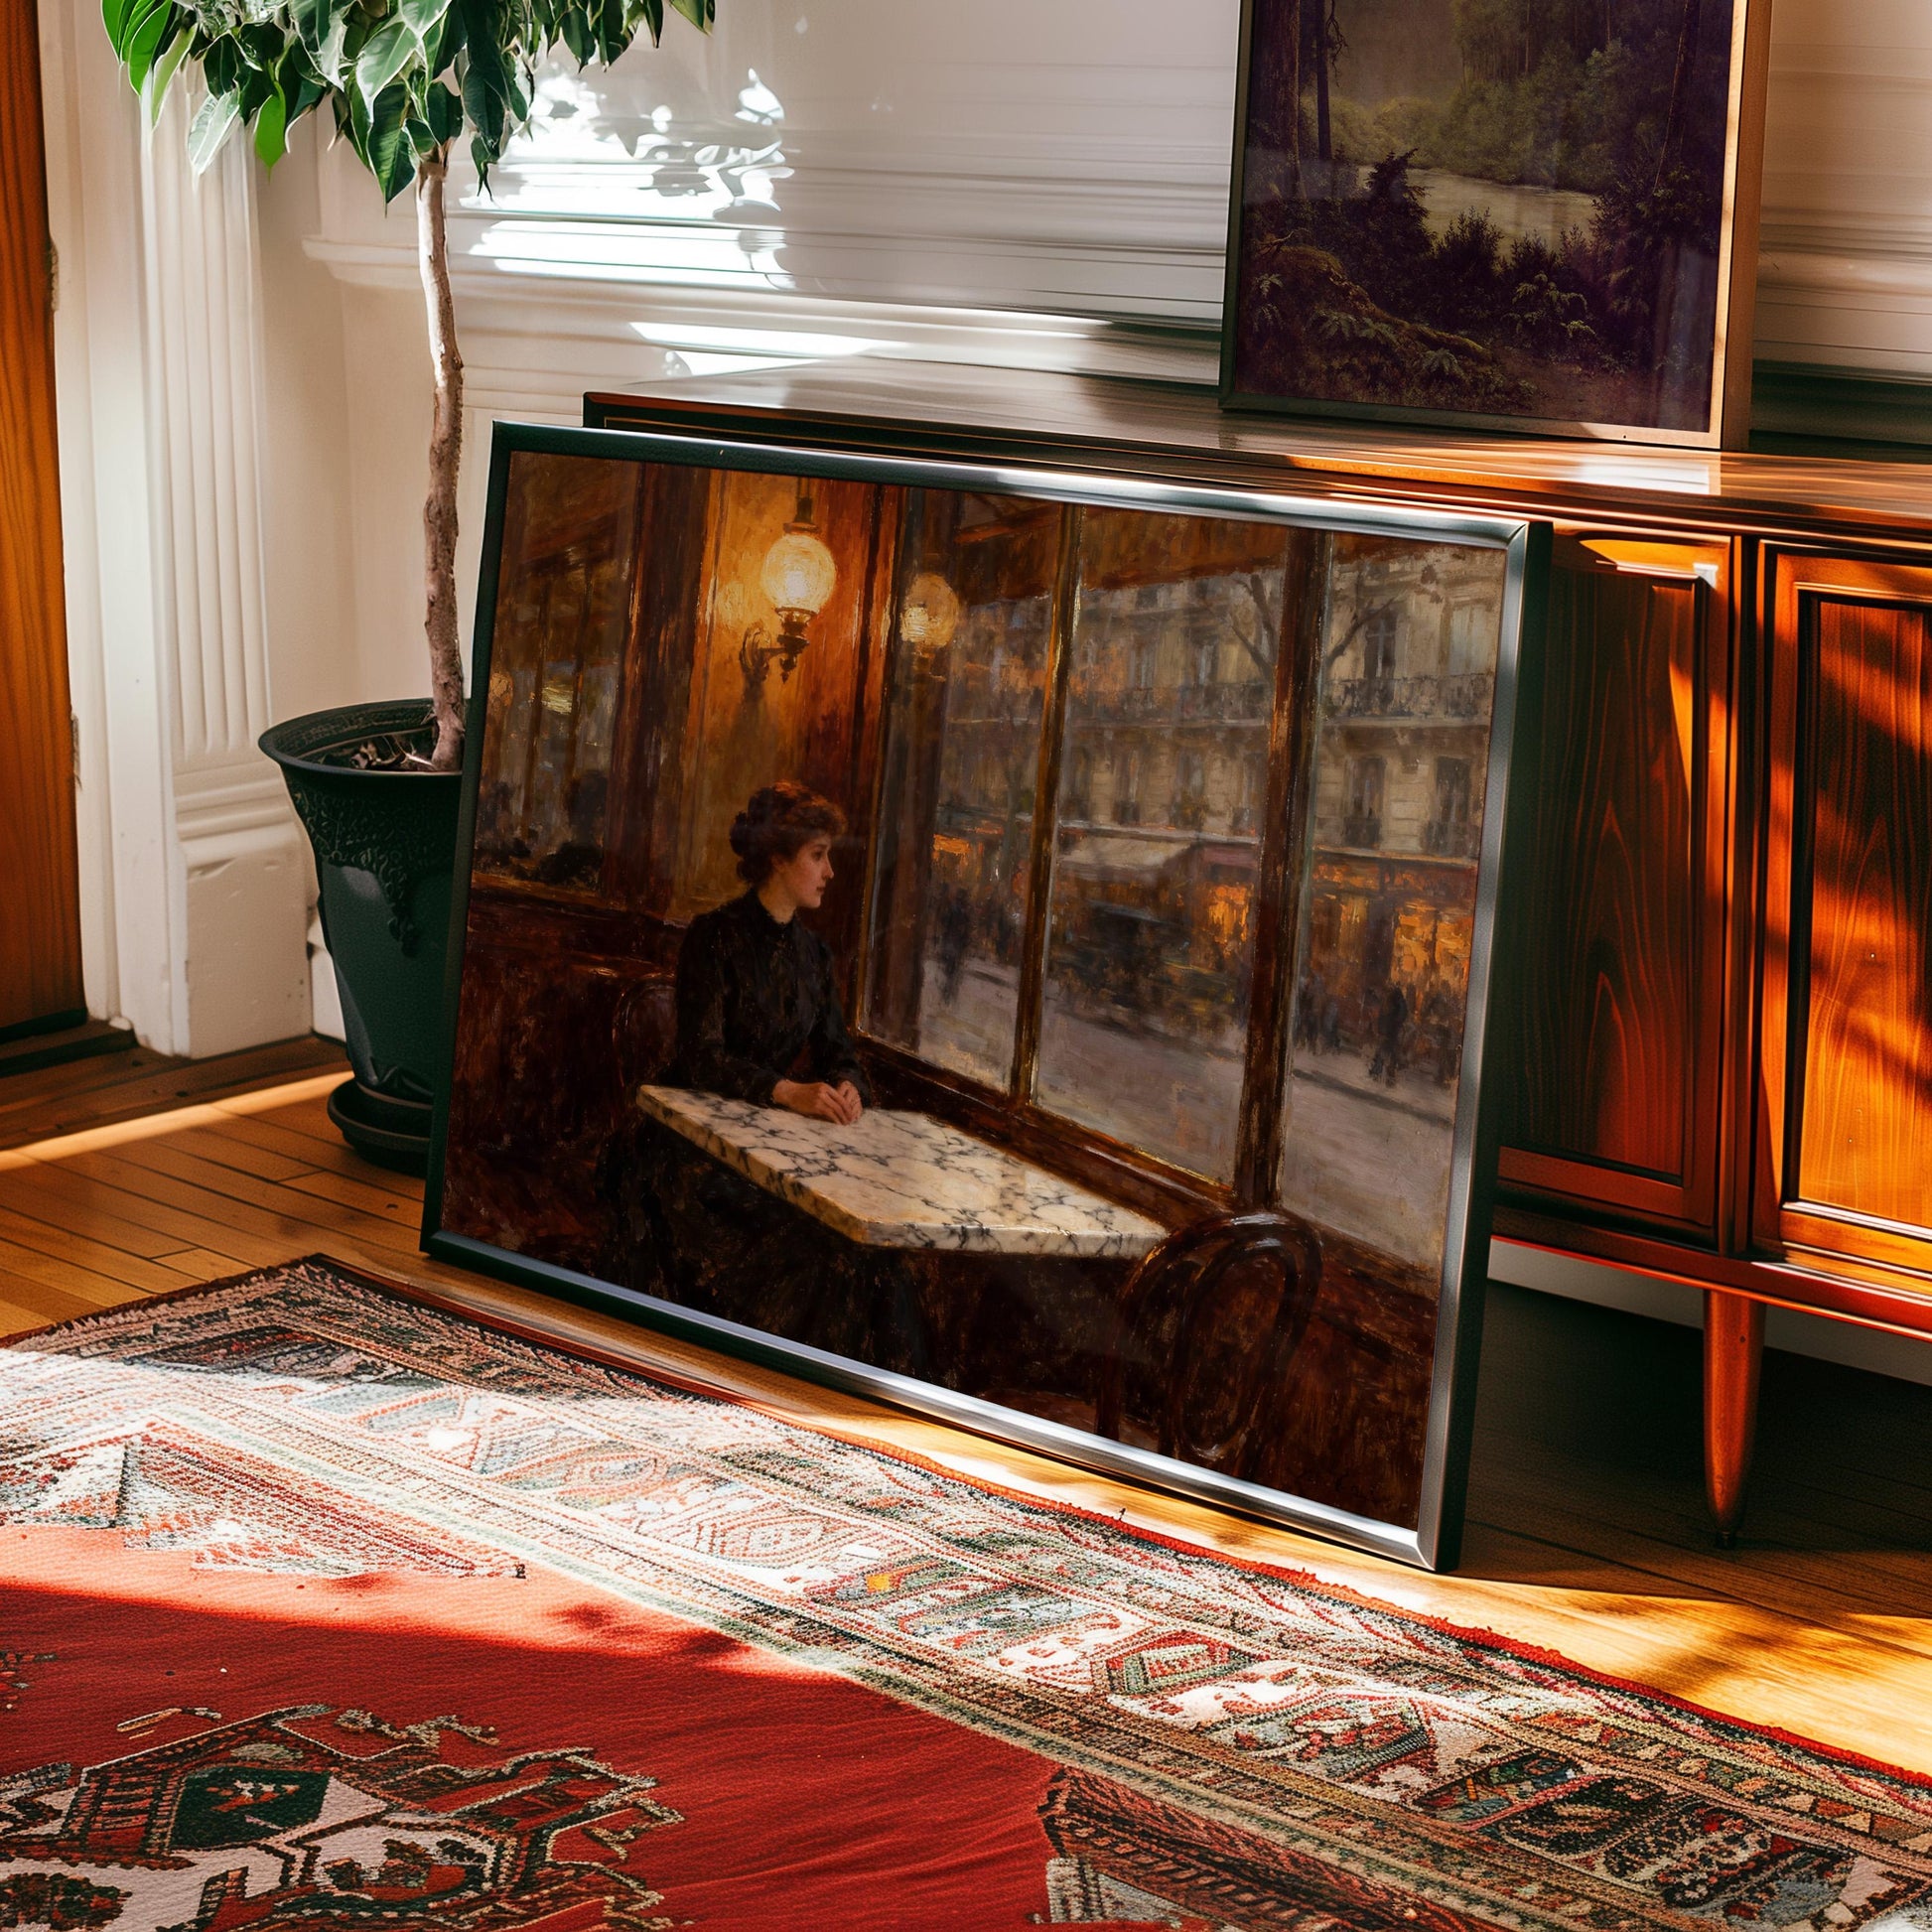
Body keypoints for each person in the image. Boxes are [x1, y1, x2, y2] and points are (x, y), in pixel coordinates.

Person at [620, 782, 930, 1375]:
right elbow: (700, 1058)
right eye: (817, 855)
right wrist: (786, 1091)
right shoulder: (715, 938)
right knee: (825, 1251)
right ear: (778, 859)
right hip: (690, 1158)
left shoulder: (814, 956)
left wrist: (848, 1090)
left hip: (772, 1149)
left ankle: (902, 1400)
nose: (830, 871)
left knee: (875, 1258)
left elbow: (840, 1053)